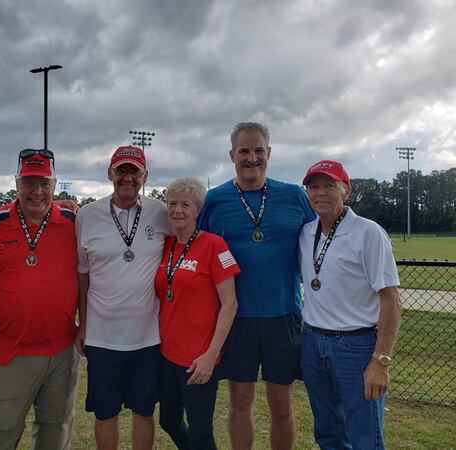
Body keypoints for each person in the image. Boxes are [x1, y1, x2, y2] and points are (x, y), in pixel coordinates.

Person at [198, 122, 316, 450]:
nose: (252, 158)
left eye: (258, 150)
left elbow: (325, 233)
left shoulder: (293, 196)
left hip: (284, 315)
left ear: (269, 153)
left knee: (281, 404)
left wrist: (370, 234)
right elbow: (193, 243)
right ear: (232, 154)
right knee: (239, 401)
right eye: (244, 151)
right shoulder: (216, 199)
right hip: (236, 319)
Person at [0, 148, 79, 450]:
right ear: (16, 183)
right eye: (29, 182)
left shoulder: (75, 223)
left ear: (55, 184)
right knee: (1, 431)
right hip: (10, 351)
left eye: (44, 183)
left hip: (62, 351)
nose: (37, 191)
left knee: (55, 428)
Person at [299, 160, 401, 449]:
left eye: (329, 185)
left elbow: (391, 301)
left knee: (365, 435)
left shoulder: (368, 233)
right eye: (313, 186)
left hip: (356, 347)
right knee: (328, 432)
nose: (320, 193)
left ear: (346, 190)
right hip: (313, 341)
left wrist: (380, 362)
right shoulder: (306, 233)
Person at [75, 145, 169, 450]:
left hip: (147, 337)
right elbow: (83, 275)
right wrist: (83, 325)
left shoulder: (161, 212)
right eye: (121, 171)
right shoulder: (87, 215)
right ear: (110, 174)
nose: (127, 177)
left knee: (144, 411)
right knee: (105, 414)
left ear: (145, 176)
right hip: (103, 338)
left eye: (134, 171)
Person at [155, 177, 239, 450]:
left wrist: (211, 354)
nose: (177, 210)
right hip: (167, 355)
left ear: (197, 209)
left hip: (198, 359)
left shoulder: (214, 245)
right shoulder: (165, 245)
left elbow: (230, 304)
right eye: (172, 204)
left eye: (185, 205)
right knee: (168, 420)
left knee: (201, 430)